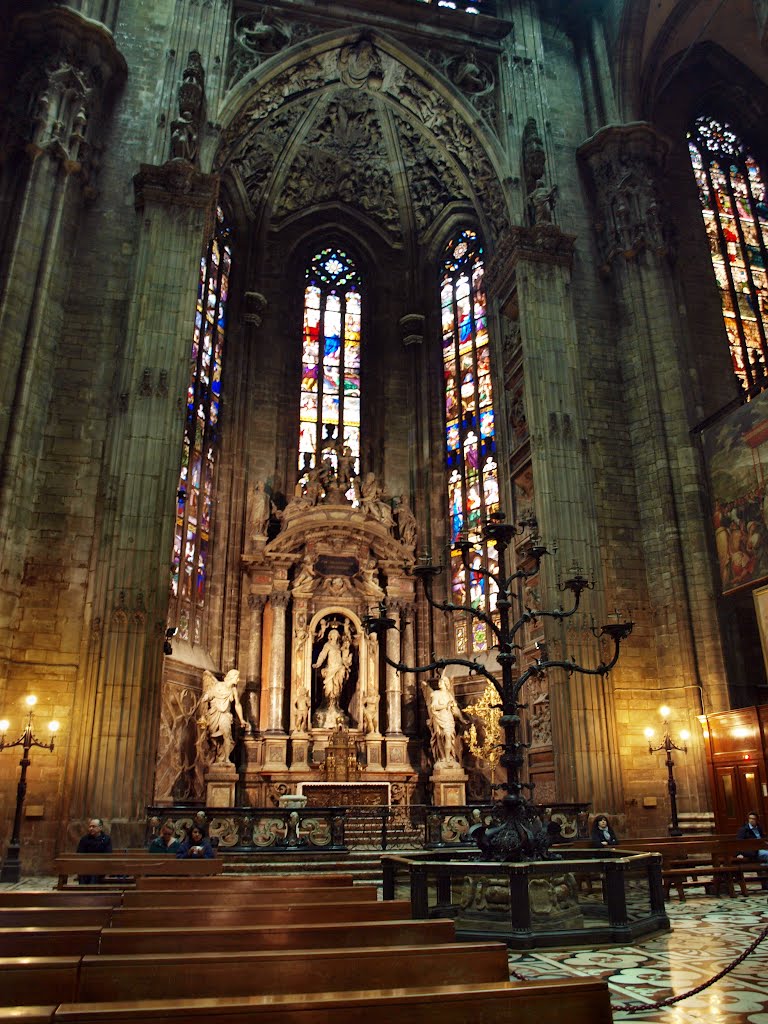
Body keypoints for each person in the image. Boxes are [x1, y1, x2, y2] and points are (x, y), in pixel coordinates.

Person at [198, 668, 246, 764]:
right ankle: (217, 755)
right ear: (231, 677)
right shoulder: (218, 686)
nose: (238, 680)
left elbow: (237, 704)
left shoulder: (233, 690)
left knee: (226, 735)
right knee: (212, 738)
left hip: (225, 715)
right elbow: (209, 695)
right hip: (214, 714)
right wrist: (205, 698)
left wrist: (241, 719)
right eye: (237, 677)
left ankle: (226, 759)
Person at [422, 672, 466, 767]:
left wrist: (462, 719)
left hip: (448, 718)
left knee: (449, 736)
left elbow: (455, 710)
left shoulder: (449, 695)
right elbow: (433, 707)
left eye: (441, 682)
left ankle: (449, 758)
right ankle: (443, 758)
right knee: (441, 738)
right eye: (439, 682)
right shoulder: (435, 694)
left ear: (446, 683)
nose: (439, 683)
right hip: (439, 718)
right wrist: (445, 705)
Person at [313, 626, 351, 703]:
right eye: (332, 635)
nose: (334, 637)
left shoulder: (339, 646)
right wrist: (318, 663)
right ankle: (328, 704)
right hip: (330, 669)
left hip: (339, 667)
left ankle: (336, 703)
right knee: (329, 687)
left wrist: (347, 663)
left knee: (338, 687)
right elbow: (322, 655)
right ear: (329, 636)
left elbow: (343, 657)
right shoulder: (327, 645)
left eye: (336, 635)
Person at [76, 817, 112, 884]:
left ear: (100, 828)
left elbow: (108, 854)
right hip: (86, 867)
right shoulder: (84, 839)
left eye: (93, 826)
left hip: (100, 867)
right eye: (90, 826)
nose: (91, 828)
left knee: (94, 873)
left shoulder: (106, 839)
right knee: (84, 874)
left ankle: (91, 892)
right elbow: (79, 854)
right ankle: (83, 892)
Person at [736, 812, 768, 887]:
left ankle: (765, 866)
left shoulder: (759, 828)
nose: (751, 820)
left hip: (762, 848)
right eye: (750, 818)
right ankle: (764, 866)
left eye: (753, 819)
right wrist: (738, 853)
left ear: (757, 820)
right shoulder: (744, 829)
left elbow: (762, 839)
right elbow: (738, 843)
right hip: (754, 851)